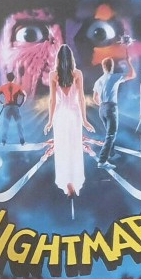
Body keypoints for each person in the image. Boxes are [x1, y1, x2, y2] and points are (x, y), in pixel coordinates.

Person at [44, 45, 94, 198]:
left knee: (62, 147)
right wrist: (85, 120)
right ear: (71, 58)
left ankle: (66, 181)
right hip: (74, 113)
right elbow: (81, 98)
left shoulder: (53, 75)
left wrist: (50, 121)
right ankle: (74, 180)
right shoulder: (77, 73)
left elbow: (52, 100)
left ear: (58, 59)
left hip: (60, 114)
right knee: (74, 147)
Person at [92, 49, 135, 169]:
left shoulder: (98, 81)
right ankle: (102, 160)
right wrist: (129, 62)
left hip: (102, 109)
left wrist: (102, 105)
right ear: (112, 67)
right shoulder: (115, 77)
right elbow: (132, 75)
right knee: (111, 134)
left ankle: (111, 154)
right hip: (111, 108)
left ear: (103, 67)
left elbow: (95, 98)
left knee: (109, 133)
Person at [0, 72, 26, 145]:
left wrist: (1, 103)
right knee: (19, 124)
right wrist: (20, 104)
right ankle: (22, 141)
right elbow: (25, 95)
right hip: (15, 107)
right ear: (14, 78)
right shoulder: (18, 87)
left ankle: (3, 141)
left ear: (7, 78)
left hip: (7, 107)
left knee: (5, 124)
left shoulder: (3, 87)